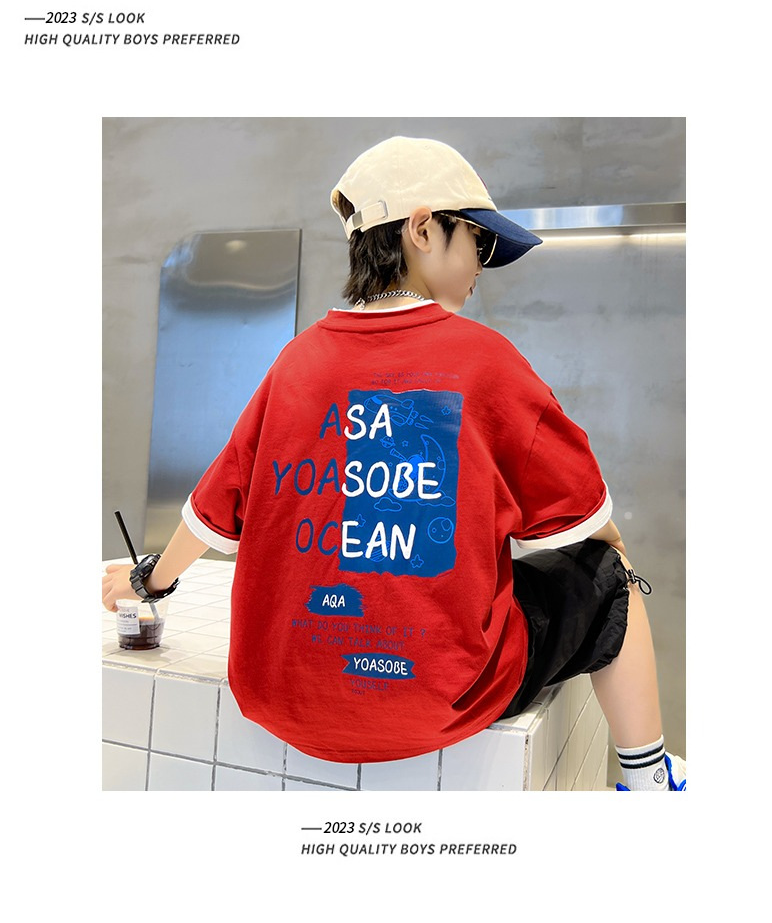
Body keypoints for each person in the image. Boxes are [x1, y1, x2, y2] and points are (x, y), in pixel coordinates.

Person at [102, 136, 685, 791]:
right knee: (611, 579)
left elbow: (212, 514)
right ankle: (651, 785)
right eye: (478, 242)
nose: (482, 265)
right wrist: (612, 554)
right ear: (423, 229)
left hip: (278, 693)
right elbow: (584, 519)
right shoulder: (485, 361)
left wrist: (148, 581)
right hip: (435, 698)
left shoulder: (295, 364)